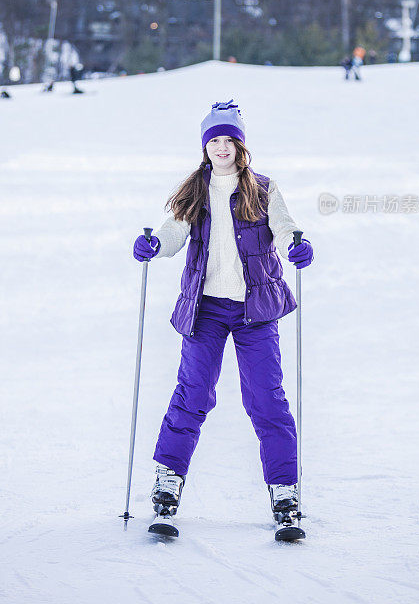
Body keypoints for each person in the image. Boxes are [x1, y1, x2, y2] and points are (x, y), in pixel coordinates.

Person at [132, 99, 314, 533]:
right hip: (206, 310)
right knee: (192, 393)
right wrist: (155, 245)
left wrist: (294, 246)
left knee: (267, 400)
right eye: (214, 140)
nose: (221, 148)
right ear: (204, 147)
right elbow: (174, 230)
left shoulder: (263, 189)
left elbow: (285, 225)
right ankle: (168, 482)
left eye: (229, 140)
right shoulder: (194, 192)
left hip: (255, 311)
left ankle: (285, 491)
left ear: (240, 145)